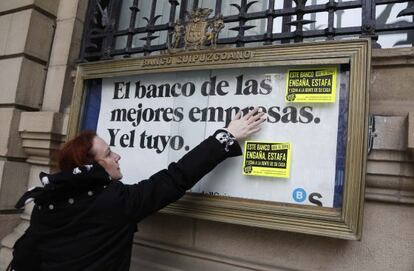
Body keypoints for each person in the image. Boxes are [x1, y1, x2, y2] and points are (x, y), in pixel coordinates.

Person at [9, 108, 265, 271]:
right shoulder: (113, 203)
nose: (117, 156)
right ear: (91, 167)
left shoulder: (47, 202)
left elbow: (24, 255)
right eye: (109, 154)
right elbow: (175, 179)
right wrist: (226, 136)